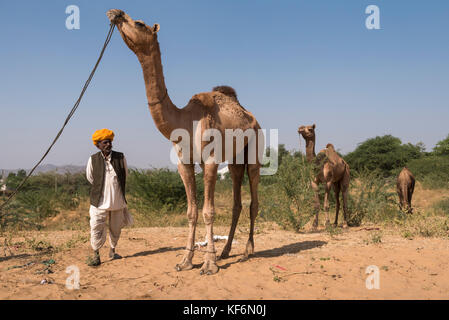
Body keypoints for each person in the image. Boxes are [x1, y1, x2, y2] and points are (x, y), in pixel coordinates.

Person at [86, 128, 133, 266]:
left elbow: (125, 175)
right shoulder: (93, 159)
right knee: (96, 227)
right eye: (105, 142)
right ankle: (96, 255)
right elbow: (90, 178)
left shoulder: (120, 157)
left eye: (110, 142)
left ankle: (113, 250)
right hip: (99, 202)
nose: (108, 145)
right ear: (98, 145)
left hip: (117, 201)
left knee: (116, 228)